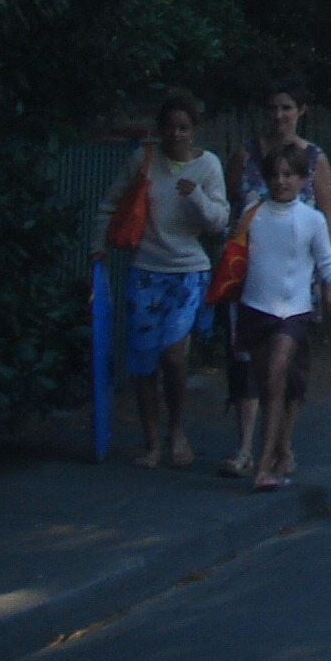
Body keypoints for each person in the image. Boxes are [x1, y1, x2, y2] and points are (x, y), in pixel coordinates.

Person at [91, 92, 229, 468]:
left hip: (188, 271)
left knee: (173, 357)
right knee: (143, 361)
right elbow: (110, 202)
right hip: (146, 270)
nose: (176, 135)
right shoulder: (144, 161)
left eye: (183, 128)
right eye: (169, 128)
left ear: (194, 131)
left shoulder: (208, 166)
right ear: (159, 130)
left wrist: (196, 196)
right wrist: (96, 247)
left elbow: (219, 222)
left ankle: (177, 431)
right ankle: (152, 442)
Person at [223, 78, 331, 478]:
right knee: (247, 362)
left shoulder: (315, 159)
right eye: (273, 108)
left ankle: (281, 445)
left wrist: (330, 281)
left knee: (287, 368)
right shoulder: (246, 156)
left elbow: (326, 218)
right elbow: (231, 211)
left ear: (300, 111)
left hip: (298, 282)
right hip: (250, 279)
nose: (279, 116)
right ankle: (245, 448)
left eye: (287, 108)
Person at [236, 144, 331, 493]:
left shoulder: (312, 219)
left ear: (303, 179)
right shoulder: (252, 214)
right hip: (254, 309)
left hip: (293, 313)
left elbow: (327, 262)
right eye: (274, 174)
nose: (281, 181)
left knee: (275, 378)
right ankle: (273, 457)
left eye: (288, 174)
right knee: (266, 382)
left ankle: (263, 466)